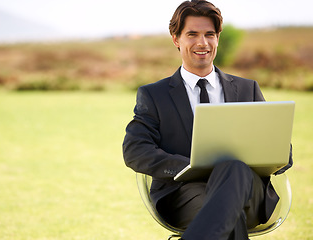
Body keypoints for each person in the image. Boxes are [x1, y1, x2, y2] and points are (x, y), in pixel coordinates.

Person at [122, 1, 293, 240]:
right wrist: (190, 167)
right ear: (176, 39)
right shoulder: (155, 95)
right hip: (186, 194)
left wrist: (266, 153)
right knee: (227, 213)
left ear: (218, 38)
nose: (202, 43)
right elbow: (135, 150)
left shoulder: (247, 90)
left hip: (251, 195)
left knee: (234, 170)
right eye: (192, 34)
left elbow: (284, 153)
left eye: (209, 34)